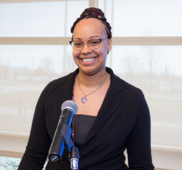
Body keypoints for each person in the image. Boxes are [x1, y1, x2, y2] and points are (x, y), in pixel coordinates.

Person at [18, 7, 154, 170]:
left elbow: (142, 166)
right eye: (78, 43)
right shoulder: (52, 91)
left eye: (94, 42)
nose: (85, 50)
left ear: (109, 43)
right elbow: (34, 156)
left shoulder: (133, 99)